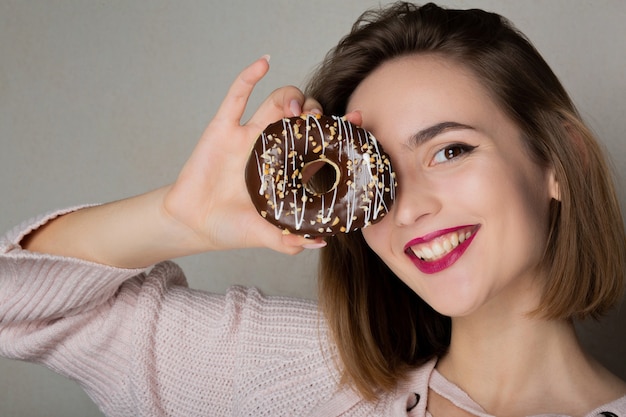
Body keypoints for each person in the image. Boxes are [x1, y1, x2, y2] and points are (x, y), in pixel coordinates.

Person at [1, 2, 625, 416]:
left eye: (449, 150)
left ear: (555, 161)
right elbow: (19, 313)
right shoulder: (301, 374)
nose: (408, 209)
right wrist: (176, 220)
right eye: (376, 176)